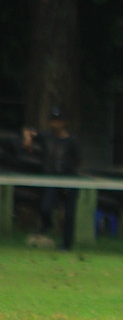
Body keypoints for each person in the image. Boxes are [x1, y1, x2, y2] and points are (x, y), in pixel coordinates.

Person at [23, 106, 81, 250]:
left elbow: (79, 161)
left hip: (69, 181)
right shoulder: (46, 137)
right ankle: (47, 224)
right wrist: (27, 139)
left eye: (58, 121)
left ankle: (66, 245)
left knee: (68, 215)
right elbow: (28, 131)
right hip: (52, 181)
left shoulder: (71, 141)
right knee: (45, 208)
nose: (56, 124)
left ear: (64, 122)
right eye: (54, 121)